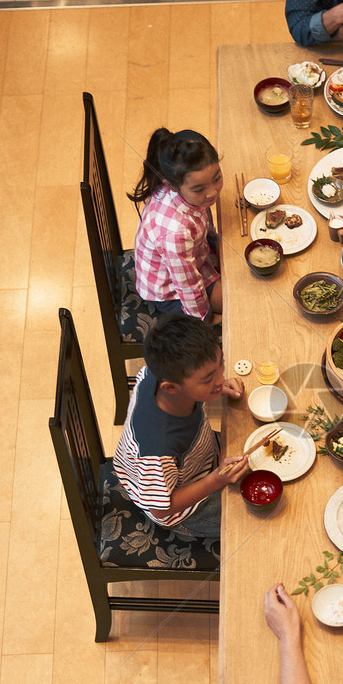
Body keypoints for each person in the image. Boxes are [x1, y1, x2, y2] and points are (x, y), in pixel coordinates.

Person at [113, 313, 248, 540]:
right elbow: (161, 508)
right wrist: (217, 479)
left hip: (199, 460)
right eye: (207, 379)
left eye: (220, 365)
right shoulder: (155, 451)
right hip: (183, 509)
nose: (219, 378)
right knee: (259, 514)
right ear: (171, 388)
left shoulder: (151, 373)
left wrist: (216, 386)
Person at [131, 127, 224, 322]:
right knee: (238, 302)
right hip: (169, 291)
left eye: (217, 178)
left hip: (195, 258)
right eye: (199, 189)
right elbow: (187, 286)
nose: (212, 193)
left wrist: (214, 241)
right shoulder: (175, 232)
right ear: (172, 185)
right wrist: (205, 320)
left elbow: (204, 220)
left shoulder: (187, 190)